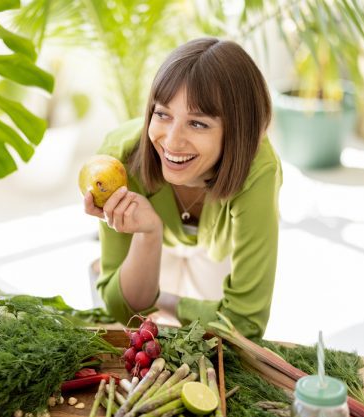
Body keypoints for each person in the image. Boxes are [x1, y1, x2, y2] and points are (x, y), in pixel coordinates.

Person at [83, 38, 282, 339]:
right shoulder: (119, 161)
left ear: (238, 131)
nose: (172, 141)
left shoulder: (258, 170)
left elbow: (244, 323)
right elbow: (122, 310)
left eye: (198, 124)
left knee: (221, 344)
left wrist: (166, 302)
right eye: (162, 114)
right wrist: (147, 234)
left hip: (217, 248)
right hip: (158, 243)